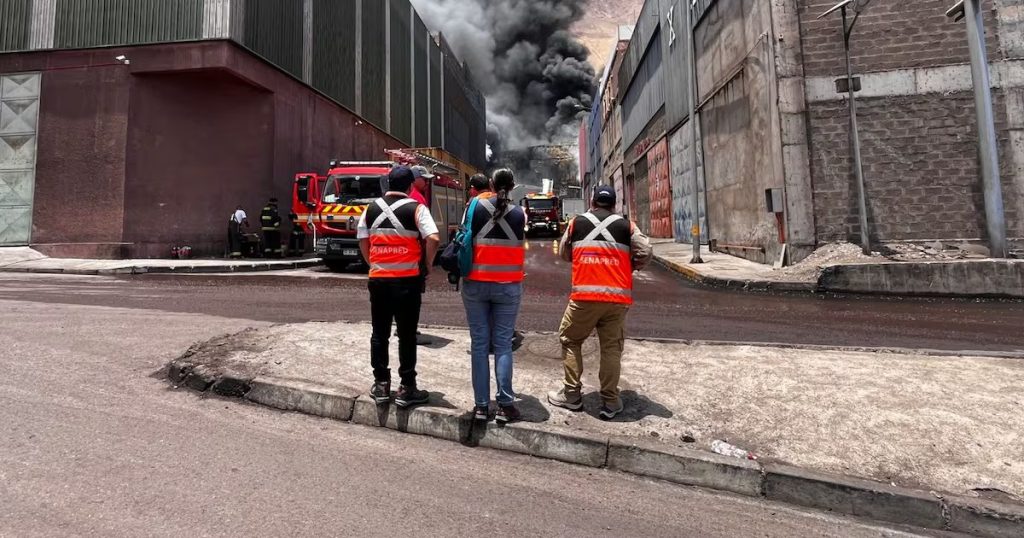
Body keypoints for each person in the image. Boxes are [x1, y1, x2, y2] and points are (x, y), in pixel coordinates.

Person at [547, 185, 652, 420]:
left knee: (570, 339)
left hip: (584, 297)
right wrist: (631, 265)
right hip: (617, 299)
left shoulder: (577, 223)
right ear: (614, 205)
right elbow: (646, 250)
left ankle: (572, 396)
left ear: (592, 202)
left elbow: (565, 253)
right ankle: (611, 401)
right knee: (611, 347)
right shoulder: (627, 226)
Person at [358, 166, 441, 408]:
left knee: (379, 334)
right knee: (406, 335)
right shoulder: (417, 208)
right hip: (408, 282)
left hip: (379, 280)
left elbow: (363, 238)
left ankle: (381, 385)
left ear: (387, 185)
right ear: (410, 187)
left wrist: (372, 263)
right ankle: (407, 388)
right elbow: (434, 238)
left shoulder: (371, 208)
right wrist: (426, 264)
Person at [462, 169, 527, 423]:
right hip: (508, 286)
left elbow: (464, 237)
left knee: (479, 345)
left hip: (476, 283)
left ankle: (481, 406)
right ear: (513, 187)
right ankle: (505, 404)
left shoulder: (475, 205)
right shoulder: (519, 213)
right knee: (502, 345)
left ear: (490, 184)